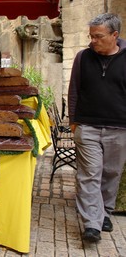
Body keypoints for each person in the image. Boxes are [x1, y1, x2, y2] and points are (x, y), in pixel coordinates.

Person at [68, 13, 126, 243]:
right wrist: (73, 121)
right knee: (89, 174)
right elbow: (74, 91)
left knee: (111, 173)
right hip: (87, 126)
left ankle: (105, 213)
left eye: (98, 36)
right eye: (91, 36)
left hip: (119, 128)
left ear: (115, 35)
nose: (93, 40)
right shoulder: (82, 58)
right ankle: (91, 223)